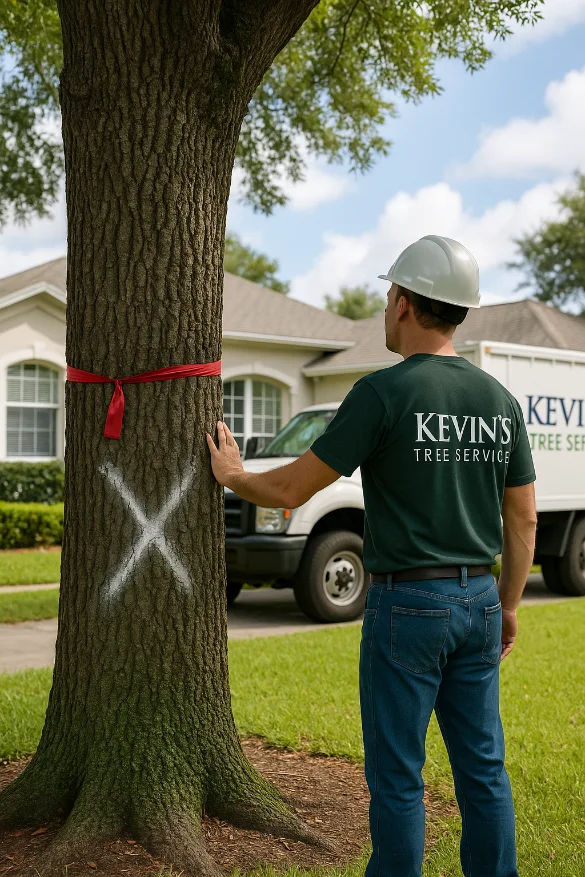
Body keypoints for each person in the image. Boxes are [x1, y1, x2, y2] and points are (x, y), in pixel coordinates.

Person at [206, 235, 537, 877]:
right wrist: (511, 606)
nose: (386, 308)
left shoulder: (382, 393)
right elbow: (521, 515)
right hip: (480, 603)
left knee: (398, 775)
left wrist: (233, 476)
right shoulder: (501, 403)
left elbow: (291, 488)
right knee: (483, 770)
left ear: (407, 304)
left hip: (409, 605)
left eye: (389, 296)